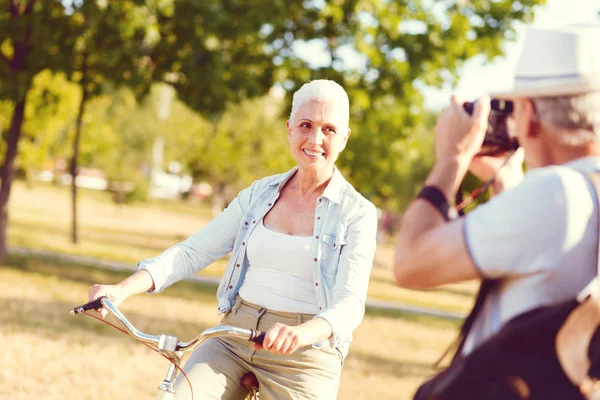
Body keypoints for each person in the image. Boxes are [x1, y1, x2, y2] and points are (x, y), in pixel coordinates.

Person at [88, 79, 378, 400]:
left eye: (329, 129)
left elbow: (350, 304)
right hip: (233, 336)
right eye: (306, 125)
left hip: (306, 355)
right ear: (289, 129)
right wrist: (122, 289)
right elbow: (192, 251)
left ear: (345, 137)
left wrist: (300, 334)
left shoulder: (358, 213)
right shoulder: (258, 194)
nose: (315, 138)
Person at [394, 22, 600, 362]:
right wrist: (504, 178)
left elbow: (409, 262)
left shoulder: (555, 194)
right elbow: (543, 251)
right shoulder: (581, 191)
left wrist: (452, 158)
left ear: (530, 115)